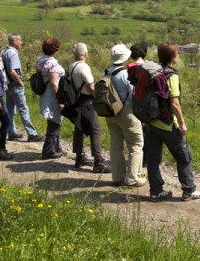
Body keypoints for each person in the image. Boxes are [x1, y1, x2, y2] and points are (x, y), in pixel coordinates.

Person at [144, 41, 200, 201]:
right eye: (177, 53)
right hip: (168, 123)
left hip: (151, 122)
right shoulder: (171, 75)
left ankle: (156, 191)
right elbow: (175, 102)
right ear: (172, 56)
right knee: (184, 156)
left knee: (153, 158)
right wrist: (182, 123)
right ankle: (189, 190)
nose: (179, 55)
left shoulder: (153, 72)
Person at [105, 44, 145, 187]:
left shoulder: (106, 72)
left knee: (116, 145)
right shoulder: (125, 74)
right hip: (126, 112)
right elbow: (135, 93)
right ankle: (133, 178)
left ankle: (118, 178)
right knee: (136, 144)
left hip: (109, 112)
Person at [68, 42, 110, 173]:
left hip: (76, 100)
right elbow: (91, 86)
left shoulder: (71, 66)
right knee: (95, 129)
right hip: (86, 101)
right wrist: (98, 98)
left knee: (79, 127)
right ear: (85, 54)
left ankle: (79, 157)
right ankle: (98, 162)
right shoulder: (84, 67)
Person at [2, 33, 44, 143]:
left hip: (7, 84)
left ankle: (11, 133)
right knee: (23, 109)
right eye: (20, 41)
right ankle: (32, 134)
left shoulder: (4, 51)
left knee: (10, 110)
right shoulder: (13, 53)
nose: (21, 43)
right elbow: (12, 71)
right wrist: (20, 82)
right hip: (15, 84)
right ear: (15, 41)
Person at [36, 37, 65, 159]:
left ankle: (56, 147)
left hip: (45, 94)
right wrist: (60, 99)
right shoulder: (52, 63)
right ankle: (48, 150)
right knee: (54, 123)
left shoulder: (40, 60)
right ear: (55, 50)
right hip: (52, 95)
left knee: (53, 121)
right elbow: (54, 83)